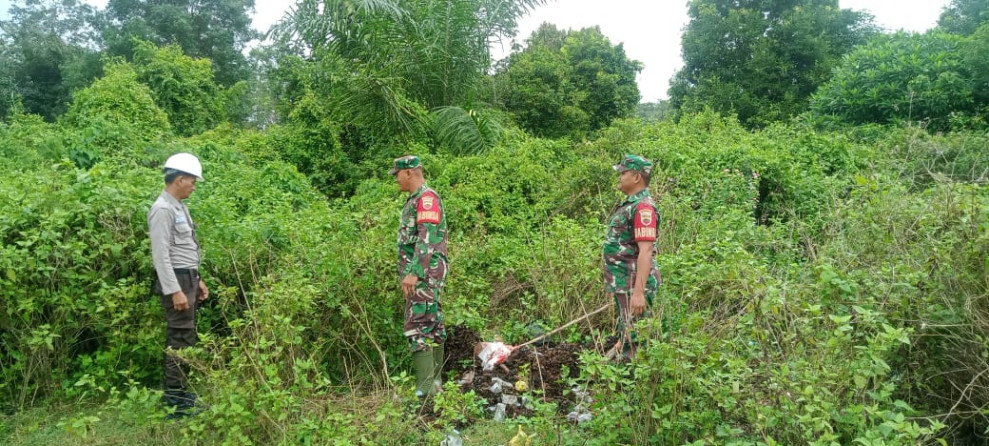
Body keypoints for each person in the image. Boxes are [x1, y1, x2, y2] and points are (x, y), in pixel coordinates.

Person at [148, 152, 209, 419]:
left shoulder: (178, 206)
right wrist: (175, 290)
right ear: (180, 179)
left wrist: (198, 279)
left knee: (186, 338)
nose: (194, 186)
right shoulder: (162, 209)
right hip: (176, 280)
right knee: (179, 340)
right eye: (192, 181)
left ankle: (182, 394)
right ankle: (175, 403)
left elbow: (185, 248)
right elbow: (161, 256)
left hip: (187, 277)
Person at [391, 155, 448, 397]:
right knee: (432, 325)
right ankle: (435, 387)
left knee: (419, 327)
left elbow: (427, 239)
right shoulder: (415, 200)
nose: (396, 180)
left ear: (409, 173)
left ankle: (425, 393)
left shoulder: (426, 200)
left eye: (397, 175)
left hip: (424, 276)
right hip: (426, 275)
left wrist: (413, 274)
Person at [602, 154, 661, 360]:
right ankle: (620, 352)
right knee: (627, 329)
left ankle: (627, 383)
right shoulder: (630, 204)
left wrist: (638, 293)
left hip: (634, 285)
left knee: (634, 339)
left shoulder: (643, 207)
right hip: (624, 284)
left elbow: (646, 251)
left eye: (623, 172)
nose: (620, 176)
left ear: (636, 177)